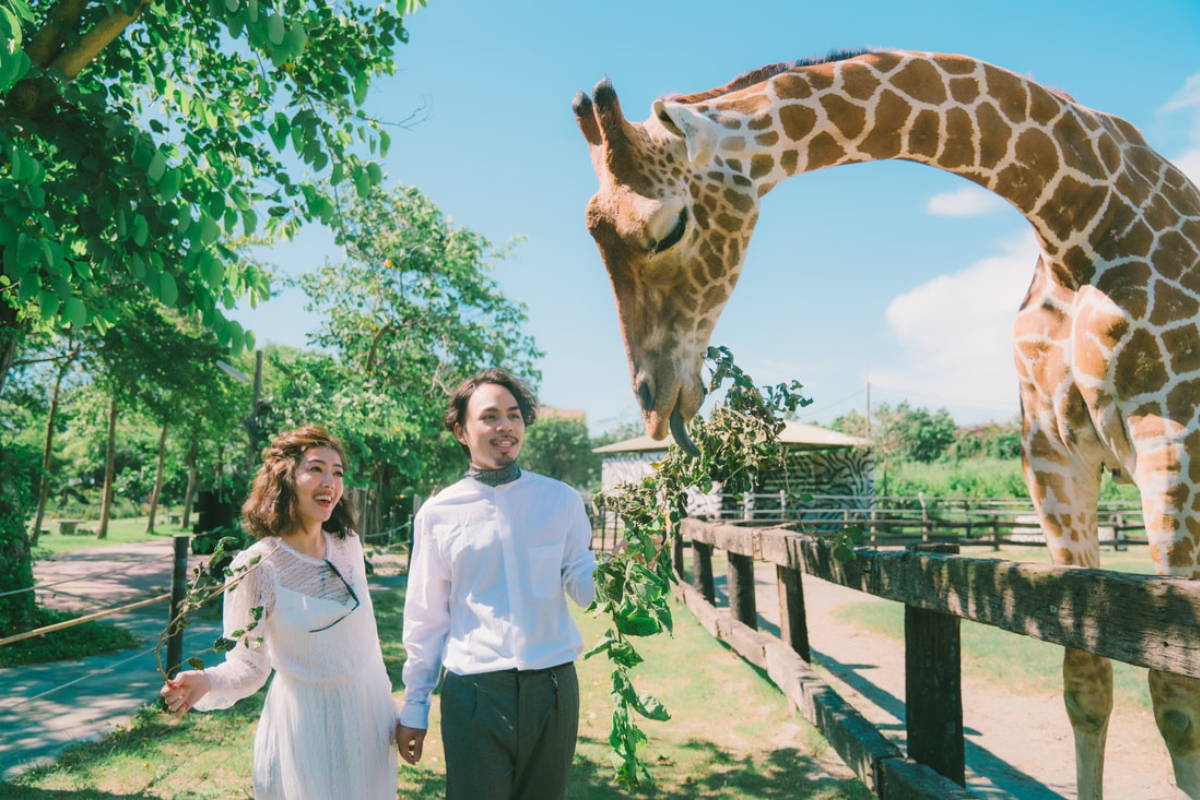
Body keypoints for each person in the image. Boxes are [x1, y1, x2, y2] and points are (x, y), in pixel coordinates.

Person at [161, 425, 399, 800]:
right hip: (305, 726)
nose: (330, 482)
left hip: (365, 715)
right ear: (285, 478)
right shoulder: (255, 566)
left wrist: (394, 714)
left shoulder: (348, 545)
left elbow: (369, 641)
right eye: (316, 469)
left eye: (337, 472)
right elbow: (249, 664)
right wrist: (207, 681)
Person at [397, 368, 597, 800]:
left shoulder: (560, 500)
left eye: (514, 415)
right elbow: (425, 618)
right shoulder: (437, 514)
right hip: (473, 692)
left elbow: (583, 583)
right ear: (461, 431)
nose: (505, 426)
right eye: (489, 416)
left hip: (555, 689)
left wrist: (629, 569)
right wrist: (415, 704)